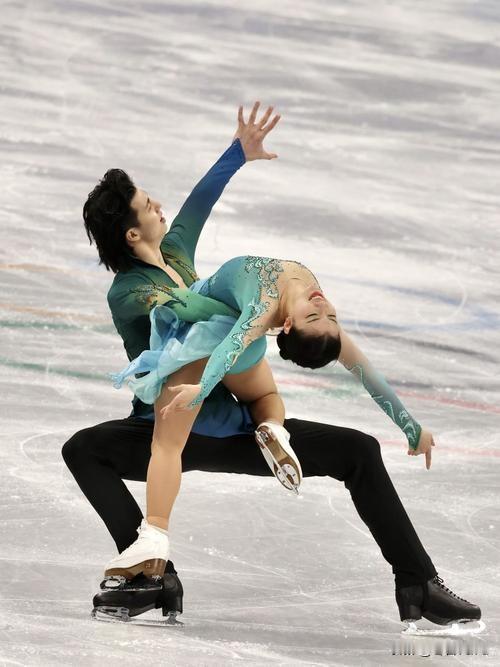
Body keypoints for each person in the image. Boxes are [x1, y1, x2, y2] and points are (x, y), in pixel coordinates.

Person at [62, 102, 480, 629]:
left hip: (225, 423)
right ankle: (153, 573)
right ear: (131, 233)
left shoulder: (176, 251)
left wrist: (237, 153)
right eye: (148, 205)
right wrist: (261, 311)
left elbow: (199, 202)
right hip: (176, 418)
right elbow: (190, 314)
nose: (160, 206)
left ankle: (418, 582)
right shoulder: (128, 292)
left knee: (357, 451)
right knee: (84, 448)